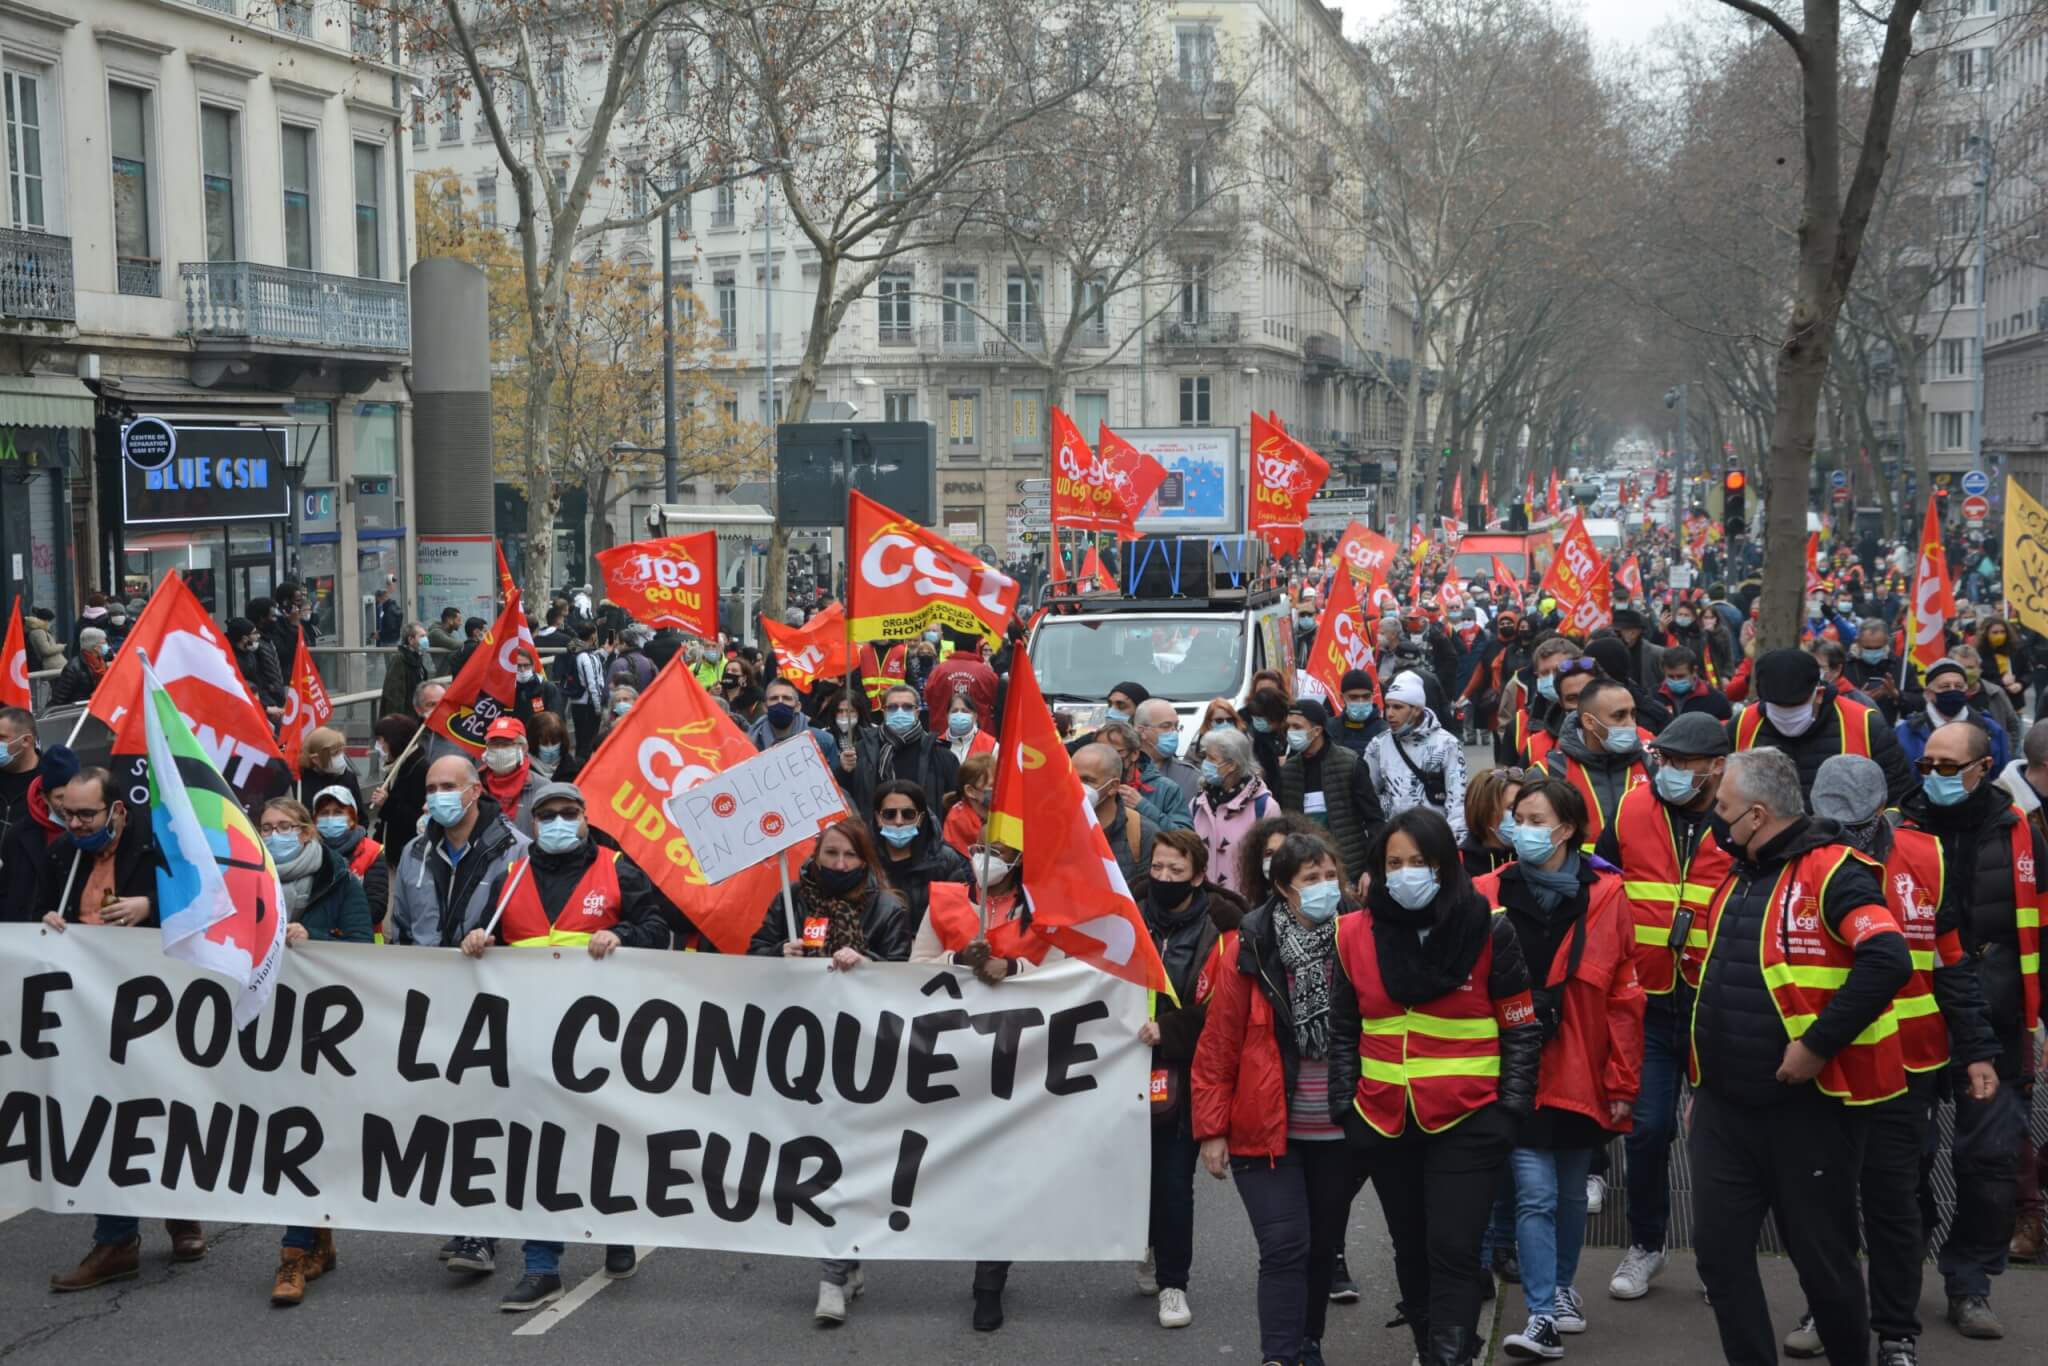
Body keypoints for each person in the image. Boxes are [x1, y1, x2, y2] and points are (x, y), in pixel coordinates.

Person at [1687, 747, 1913, 1366]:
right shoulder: (1741, 873)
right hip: (1724, 1110)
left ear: (1758, 815)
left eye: (1725, 810)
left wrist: (1816, 1045)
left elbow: (1889, 958)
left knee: (1825, 1263)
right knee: (1720, 1257)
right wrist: (1702, 1088)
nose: (1716, 820)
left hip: (1809, 1111)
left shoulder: (1836, 871)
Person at [1778, 751, 2005, 1362]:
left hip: (1909, 1069)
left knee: (1895, 1203)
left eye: (1855, 825)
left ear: (1883, 811)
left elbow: (1954, 965)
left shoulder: (1925, 856)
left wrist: (1978, 1049)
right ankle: (1826, 1309)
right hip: (1824, 1069)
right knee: (1822, 1204)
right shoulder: (1793, 861)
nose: (1843, 838)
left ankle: (1897, 1332)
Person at [1327, 810, 1541, 1366]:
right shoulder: (1353, 933)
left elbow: (1521, 1028)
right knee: (1412, 1250)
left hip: (1470, 1120)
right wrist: (1345, 1108)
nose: (1405, 874)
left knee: (1453, 1248)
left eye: (1418, 862)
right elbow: (1345, 1029)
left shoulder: (1489, 927)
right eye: (1393, 863)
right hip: (1382, 1119)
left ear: (1444, 866)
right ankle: (1431, 1345)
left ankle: (1450, 1358)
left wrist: (1509, 1113)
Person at [459, 781, 668, 1307]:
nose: (556, 822)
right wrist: (476, 940)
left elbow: (658, 927)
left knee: (604, 1139)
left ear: (584, 816)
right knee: (537, 1148)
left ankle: (617, 1231)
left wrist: (624, 936)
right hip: (529, 1035)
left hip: (604, 1036)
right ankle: (541, 1264)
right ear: (532, 823)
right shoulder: (509, 875)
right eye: (546, 814)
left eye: (567, 813)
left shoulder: (617, 867)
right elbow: (472, 930)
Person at [1878, 724, 2041, 1341]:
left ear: (1984, 766)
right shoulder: (1894, 829)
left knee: (1992, 1162)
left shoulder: (2020, 830)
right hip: (1912, 1020)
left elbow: (2039, 928)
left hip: (1997, 1023)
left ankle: (1971, 1283)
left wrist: (2034, 1019)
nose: (1935, 776)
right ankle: (1898, 1276)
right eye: (1926, 764)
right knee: (1903, 1161)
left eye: (1949, 765)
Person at [1476, 779, 1644, 1360]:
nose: (1520, 826)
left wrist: (1623, 1081)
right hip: (1514, 1069)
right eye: (1516, 816)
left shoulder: (1607, 893)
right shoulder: (1487, 891)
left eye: (1534, 817)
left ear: (1567, 829)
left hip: (1582, 1068)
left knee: (1571, 1193)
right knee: (1536, 1195)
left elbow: (1624, 997)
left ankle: (1564, 1292)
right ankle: (1543, 1312)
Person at [1191, 832, 1363, 1366]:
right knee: (1285, 1245)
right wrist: (1212, 1129)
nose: (1324, 887)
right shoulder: (1250, 946)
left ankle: (1308, 1341)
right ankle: (1280, 1355)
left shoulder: (1360, 938)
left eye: (1330, 876)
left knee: (1319, 1247)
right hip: (1265, 1129)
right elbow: (1218, 1044)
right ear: (1284, 886)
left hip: (1339, 1130)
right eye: (1311, 879)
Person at [41, 767, 209, 1288]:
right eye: (66, 812)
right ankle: (116, 1238)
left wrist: (152, 906)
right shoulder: (60, 854)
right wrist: (47, 923)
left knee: (159, 1111)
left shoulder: (162, 846)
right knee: (100, 1119)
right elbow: (27, 914)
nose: (74, 823)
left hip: (154, 1012)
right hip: (86, 1012)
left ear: (117, 810)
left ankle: (179, 1213)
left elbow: (208, 903)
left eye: (85, 814)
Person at [746, 819, 912, 1325]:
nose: (839, 865)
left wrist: (869, 961)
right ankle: (843, 1260)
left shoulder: (888, 908)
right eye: (831, 855)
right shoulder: (791, 900)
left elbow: (904, 973)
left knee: (849, 1158)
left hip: (862, 1055)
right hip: (799, 1053)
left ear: (866, 861)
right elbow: (753, 953)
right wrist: (780, 953)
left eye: (850, 857)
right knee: (818, 1158)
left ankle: (832, 1273)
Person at [1595, 712, 1731, 1300]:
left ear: (1718, 767)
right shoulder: (1630, 808)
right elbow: (1599, 877)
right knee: (1646, 1131)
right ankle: (1647, 1244)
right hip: (1646, 1002)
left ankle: (1720, 1254)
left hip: (1717, 1005)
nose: (1667, 772)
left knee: (1720, 1140)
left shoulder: (1742, 814)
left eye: (1683, 764)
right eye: (1664, 760)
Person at [253, 796, 371, 1306]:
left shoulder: (340, 881)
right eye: (266, 826)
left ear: (306, 834)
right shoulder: (247, 879)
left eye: (285, 826)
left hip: (325, 1031)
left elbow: (364, 945)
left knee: (299, 1134)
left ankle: (293, 1253)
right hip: (263, 1026)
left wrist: (315, 936)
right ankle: (317, 1238)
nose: (275, 833)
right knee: (278, 1132)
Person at [1133, 829, 1248, 1329]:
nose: (1163, 878)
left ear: (1198, 876)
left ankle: (1173, 1283)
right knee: (1132, 1176)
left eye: (1175, 871)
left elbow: (1227, 1010)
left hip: (1182, 1068)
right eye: (1157, 868)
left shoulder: (1225, 930)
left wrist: (1171, 1031)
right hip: (1123, 1062)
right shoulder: (1126, 915)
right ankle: (1148, 1245)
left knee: (1174, 1179)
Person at [1735, 646, 1917, 805]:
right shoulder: (1743, 724)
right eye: (1778, 707)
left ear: (1819, 694)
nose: (1786, 715)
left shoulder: (1865, 724)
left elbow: (1899, 794)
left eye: (1795, 707)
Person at [387, 754, 530, 950]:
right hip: (423, 972)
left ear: (475, 791)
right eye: (431, 789)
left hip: (482, 971)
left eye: (448, 787)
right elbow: (401, 925)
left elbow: (524, 926)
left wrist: (492, 940)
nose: (438, 795)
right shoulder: (414, 851)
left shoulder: (517, 850)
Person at [1536, 676, 1647, 856]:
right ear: (1589, 722)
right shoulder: (1550, 771)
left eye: (1633, 714)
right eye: (1619, 716)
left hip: (1639, 881)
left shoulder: (1652, 764)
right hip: (1580, 881)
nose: (1631, 724)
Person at [1276, 697, 1382, 880]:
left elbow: (1374, 821)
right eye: (1289, 727)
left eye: (1297, 727)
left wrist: (1369, 870)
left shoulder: (1350, 764)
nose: (1290, 733)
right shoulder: (1288, 772)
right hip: (1306, 872)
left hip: (1350, 870)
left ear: (1317, 731)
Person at [1363, 672, 1471, 842]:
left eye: (1398, 707)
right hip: (1393, 842)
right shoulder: (1378, 745)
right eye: (1388, 706)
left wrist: (1453, 845)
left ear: (1416, 710)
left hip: (1435, 841)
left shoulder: (1447, 744)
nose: (1389, 714)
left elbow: (1458, 798)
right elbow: (1368, 794)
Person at [844, 683, 960, 819]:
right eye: (892, 707)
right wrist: (844, 771)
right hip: (874, 834)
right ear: (884, 711)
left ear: (917, 712)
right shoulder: (861, 750)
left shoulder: (940, 754)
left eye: (907, 707)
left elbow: (954, 804)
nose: (900, 712)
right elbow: (846, 797)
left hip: (925, 835)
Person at [870, 778, 971, 928]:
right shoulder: (863, 860)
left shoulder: (945, 860)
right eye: (890, 814)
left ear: (920, 818)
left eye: (908, 814)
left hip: (930, 948)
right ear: (878, 818)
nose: (899, 821)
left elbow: (957, 918)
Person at [1192, 726, 1275, 898]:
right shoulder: (1197, 803)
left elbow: (1273, 864)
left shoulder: (1264, 806)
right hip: (1203, 906)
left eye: (1211, 758)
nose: (1204, 763)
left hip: (1246, 907)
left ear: (1231, 766)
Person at [1895, 656, 2010, 771]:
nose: (1953, 690)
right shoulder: (1906, 732)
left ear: (1966, 690)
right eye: (1945, 686)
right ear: (1929, 693)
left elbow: (2000, 777)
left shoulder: (1991, 730)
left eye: (1958, 686)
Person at [1075, 741, 1159, 887]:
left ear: (1113, 786)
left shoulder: (1142, 833)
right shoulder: (1055, 827)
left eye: (1088, 780)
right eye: (1072, 778)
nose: (1076, 786)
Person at [1098, 718, 1194, 831]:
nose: (1106, 759)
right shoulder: (1090, 787)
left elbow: (1185, 838)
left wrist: (1142, 806)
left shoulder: (1166, 789)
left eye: (1115, 752)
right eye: (1099, 752)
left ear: (1134, 754)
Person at [312, 785, 386, 924]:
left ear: (352, 818)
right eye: (324, 813)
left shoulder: (373, 852)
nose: (330, 818)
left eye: (338, 812)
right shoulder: (308, 852)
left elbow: (376, 908)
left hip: (360, 940)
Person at [748, 676, 842, 764]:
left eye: (787, 698)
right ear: (765, 707)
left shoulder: (823, 741)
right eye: (774, 698)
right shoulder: (750, 742)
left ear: (797, 707)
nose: (780, 702)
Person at [478, 716, 544, 836]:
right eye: (494, 743)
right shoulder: (476, 785)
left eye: (506, 744)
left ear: (524, 748)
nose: (499, 749)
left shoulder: (542, 788)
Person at [1461, 765, 1524, 878]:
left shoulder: (1532, 859)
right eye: (1512, 807)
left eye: (1523, 805)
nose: (1522, 815)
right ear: (1484, 811)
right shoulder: (1460, 867)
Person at [1137, 698, 1202, 804]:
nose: (1174, 732)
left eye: (1176, 726)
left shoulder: (1191, 777)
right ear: (1142, 731)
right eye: (1166, 726)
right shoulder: (1123, 770)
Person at [293, 726, 361, 813]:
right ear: (316, 759)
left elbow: (361, 817)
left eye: (341, 751)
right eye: (335, 753)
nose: (340, 757)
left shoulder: (348, 778)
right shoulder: (299, 782)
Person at [228, 614, 288, 714]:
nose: (258, 636)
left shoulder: (249, 654)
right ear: (244, 638)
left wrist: (271, 704)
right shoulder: (232, 659)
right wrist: (266, 709)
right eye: (254, 633)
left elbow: (259, 684)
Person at [1656, 646, 1731, 721]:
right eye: (1671, 676)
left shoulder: (1716, 700)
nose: (1676, 680)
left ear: (1694, 671)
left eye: (1681, 676)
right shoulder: (1655, 697)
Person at [1328, 668, 1389, 757]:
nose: (1361, 701)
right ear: (1342, 698)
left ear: (1373, 696)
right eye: (1354, 697)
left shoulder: (1384, 732)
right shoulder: (1329, 728)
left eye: (1366, 696)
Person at [942, 753, 994, 857]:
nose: (999, 790)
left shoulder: (993, 814)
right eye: (992, 785)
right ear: (970, 791)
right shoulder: (958, 820)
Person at [378, 622, 433, 722]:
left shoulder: (416, 658)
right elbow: (394, 697)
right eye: (422, 636)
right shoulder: (400, 660)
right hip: (404, 722)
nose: (426, 640)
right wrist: (397, 723)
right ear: (411, 640)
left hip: (416, 718)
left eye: (426, 636)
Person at [510, 649, 566, 738]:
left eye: (526, 665)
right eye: (518, 666)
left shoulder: (547, 688)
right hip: (516, 739)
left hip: (541, 739)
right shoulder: (509, 690)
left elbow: (557, 718)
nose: (522, 669)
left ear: (532, 666)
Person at [48, 626, 109, 705]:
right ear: (95, 647)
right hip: (77, 711)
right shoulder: (73, 668)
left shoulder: (101, 662)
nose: (107, 645)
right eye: (104, 643)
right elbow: (59, 699)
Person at [940, 691, 995, 763]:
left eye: (964, 711)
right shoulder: (937, 745)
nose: (959, 714)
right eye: (954, 711)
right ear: (947, 716)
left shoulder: (991, 745)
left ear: (975, 716)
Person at [526, 710, 576, 784]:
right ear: (533, 741)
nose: (550, 747)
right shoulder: (524, 769)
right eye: (544, 743)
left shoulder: (571, 768)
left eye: (554, 742)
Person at [426, 606, 465, 671]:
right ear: (449, 620)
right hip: (437, 675)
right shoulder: (436, 633)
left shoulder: (446, 633)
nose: (460, 623)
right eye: (458, 620)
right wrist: (472, 644)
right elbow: (454, 644)